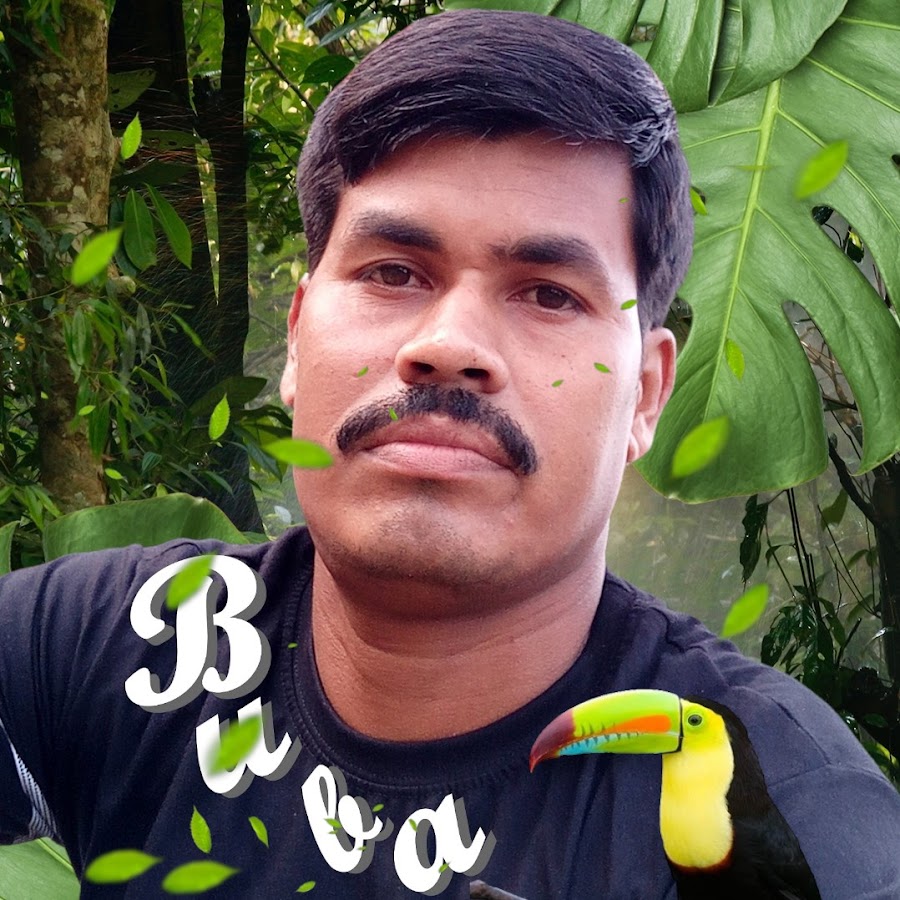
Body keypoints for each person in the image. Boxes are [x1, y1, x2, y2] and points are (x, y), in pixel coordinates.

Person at [1, 9, 899, 899]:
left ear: (646, 395)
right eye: (393, 272)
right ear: (298, 336)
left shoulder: (793, 818)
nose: (449, 344)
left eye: (549, 294)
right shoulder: (95, 642)